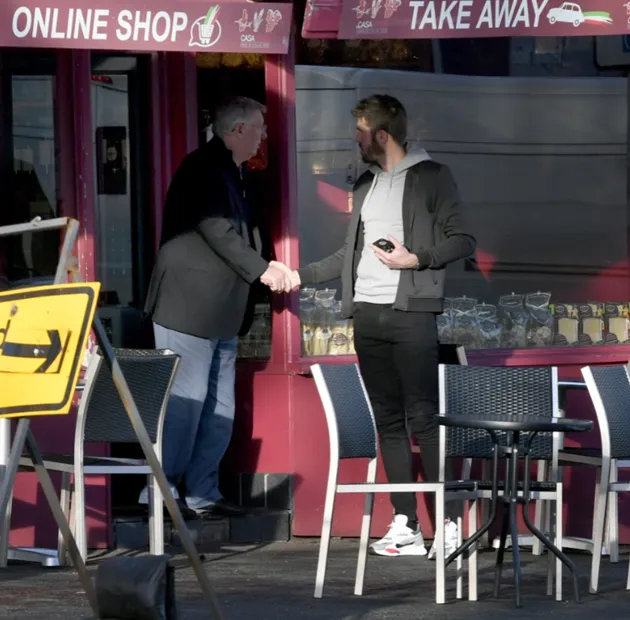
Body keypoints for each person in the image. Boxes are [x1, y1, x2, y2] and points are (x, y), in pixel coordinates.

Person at [278, 94, 476, 557]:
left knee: (424, 419)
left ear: (381, 135)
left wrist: (417, 259)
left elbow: (463, 239)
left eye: (361, 132)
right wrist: (296, 276)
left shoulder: (432, 177)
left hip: (412, 315)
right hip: (367, 314)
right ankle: (405, 523)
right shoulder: (365, 183)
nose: (356, 140)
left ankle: (447, 524)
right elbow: (349, 256)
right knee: (388, 421)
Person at [141, 96, 290, 519]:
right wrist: (263, 269)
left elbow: (246, 232)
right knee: (185, 404)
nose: (264, 135)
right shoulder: (202, 166)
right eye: (259, 127)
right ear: (237, 129)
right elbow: (216, 229)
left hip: (223, 311)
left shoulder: (237, 172)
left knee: (219, 407)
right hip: (187, 308)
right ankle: (161, 492)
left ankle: (202, 492)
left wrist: (269, 264)